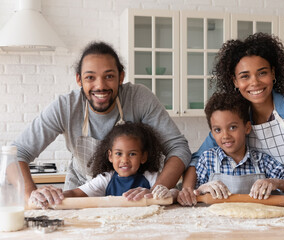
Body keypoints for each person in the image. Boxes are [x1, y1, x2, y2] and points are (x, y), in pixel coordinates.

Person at [13, 41, 191, 201]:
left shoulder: (139, 98)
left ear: (121, 77)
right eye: (90, 77)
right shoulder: (65, 106)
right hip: (81, 191)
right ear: (79, 80)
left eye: (109, 76)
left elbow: (178, 148)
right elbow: (17, 153)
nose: (100, 86)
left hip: (137, 193)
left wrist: (156, 190)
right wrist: (30, 194)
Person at [178, 33, 284, 208]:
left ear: (273, 73)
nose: (254, 82)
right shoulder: (236, 119)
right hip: (271, 208)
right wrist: (187, 190)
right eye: (245, 76)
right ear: (235, 81)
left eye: (262, 73)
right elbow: (197, 159)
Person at [29, 122, 177, 208]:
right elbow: (75, 194)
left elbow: (173, 194)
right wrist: (52, 196)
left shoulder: (152, 178)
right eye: (119, 154)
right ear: (110, 156)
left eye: (132, 154)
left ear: (143, 157)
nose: (124, 160)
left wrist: (168, 192)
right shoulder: (105, 179)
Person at [192, 92, 284, 201]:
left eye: (232, 127)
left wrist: (275, 182)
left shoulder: (262, 161)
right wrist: (201, 189)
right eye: (218, 130)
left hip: (257, 221)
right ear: (212, 133)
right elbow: (190, 194)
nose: (225, 135)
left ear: (247, 128)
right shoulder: (207, 160)